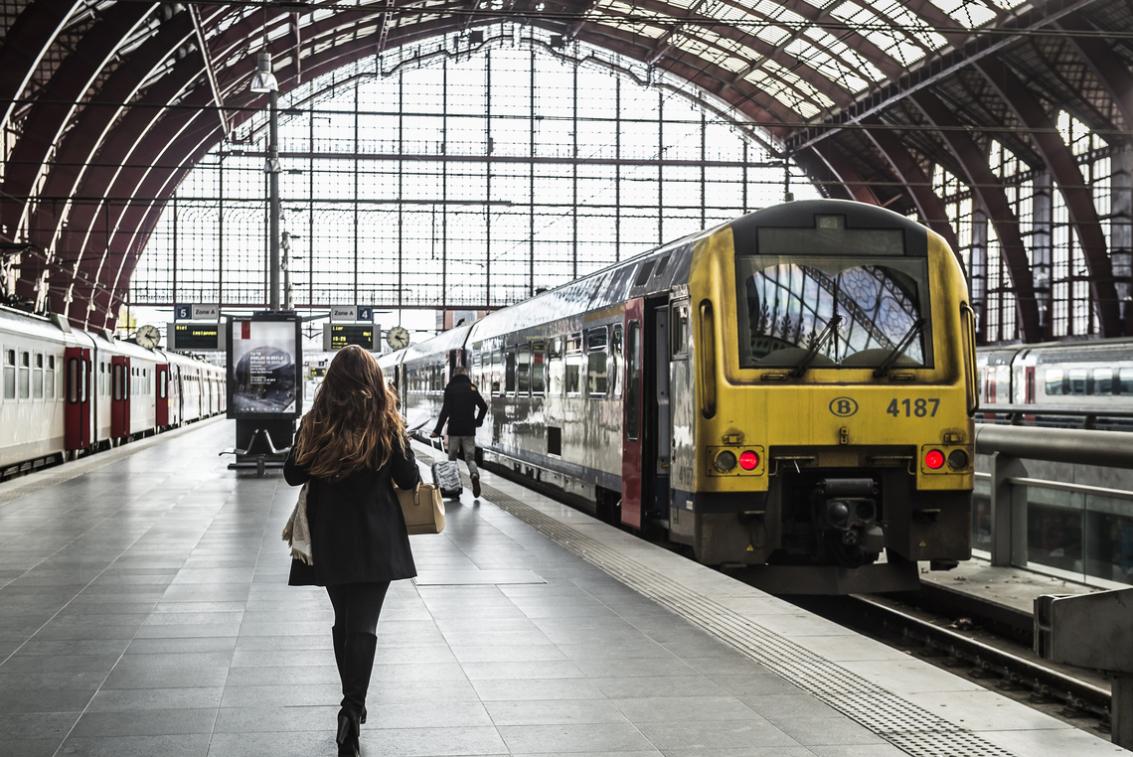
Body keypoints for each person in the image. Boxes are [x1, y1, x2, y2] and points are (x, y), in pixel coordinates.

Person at [284, 345, 419, 757]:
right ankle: (351, 710)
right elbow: (410, 479)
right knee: (362, 626)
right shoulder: (385, 423)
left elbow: (292, 475)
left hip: (328, 537)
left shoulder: (315, 423)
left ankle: (351, 707)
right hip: (376, 537)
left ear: (332, 382)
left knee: (345, 622)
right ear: (373, 381)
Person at [431, 365, 488, 498]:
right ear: (465, 374)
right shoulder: (472, 388)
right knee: (470, 458)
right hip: (469, 430)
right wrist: (477, 422)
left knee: (452, 460)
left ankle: (453, 487)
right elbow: (483, 407)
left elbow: (445, 411)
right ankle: (474, 474)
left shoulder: (450, 388)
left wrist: (437, 430)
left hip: (454, 430)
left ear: (454, 375)